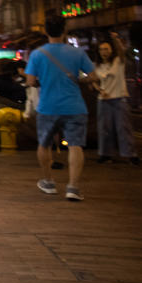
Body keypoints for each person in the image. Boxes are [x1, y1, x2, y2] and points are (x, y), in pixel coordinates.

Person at [25, 15, 100, 201]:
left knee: (44, 144)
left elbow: (30, 81)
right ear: (64, 30)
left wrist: (45, 81)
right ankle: (73, 187)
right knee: (75, 146)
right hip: (74, 106)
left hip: (48, 107)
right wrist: (79, 80)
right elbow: (94, 76)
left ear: (45, 31)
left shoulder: (37, 54)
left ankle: (48, 182)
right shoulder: (77, 53)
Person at [94, 32, 139, 165]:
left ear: (111, 50)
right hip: (103, 100)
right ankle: (105, 154)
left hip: (119, 98)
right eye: (101, 49)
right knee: (104, 129)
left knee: (123, 128)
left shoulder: (118, 62)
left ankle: (131, 154)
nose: (104, 52)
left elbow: (121, 52)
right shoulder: (97, 66)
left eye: (106, 49)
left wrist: (116, 40)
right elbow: (93, 80)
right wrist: (100, 89)